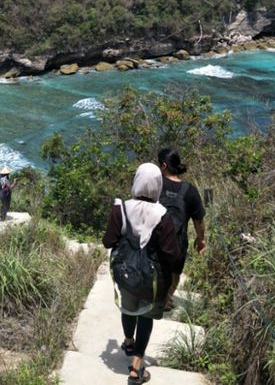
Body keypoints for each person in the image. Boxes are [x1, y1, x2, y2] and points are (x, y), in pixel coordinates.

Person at [103, 163, 181, 384]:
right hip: (153, 278)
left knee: (128, 307)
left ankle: (128, 342)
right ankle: (136, 367)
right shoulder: (162, 215)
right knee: (146, 316)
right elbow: (171, 254)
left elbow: (108, 240)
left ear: (136, 181)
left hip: (126, 273)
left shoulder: (121, 208)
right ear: (158, 185)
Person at [157, 148, 206, 311]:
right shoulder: (189, 190)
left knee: (154, 266)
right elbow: (198, 220)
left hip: (154, 237)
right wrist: (201, 240)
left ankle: (151, 296)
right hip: (178, 240)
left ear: (164, 165)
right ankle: (166, 300)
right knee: (175, 273)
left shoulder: (156, 185)